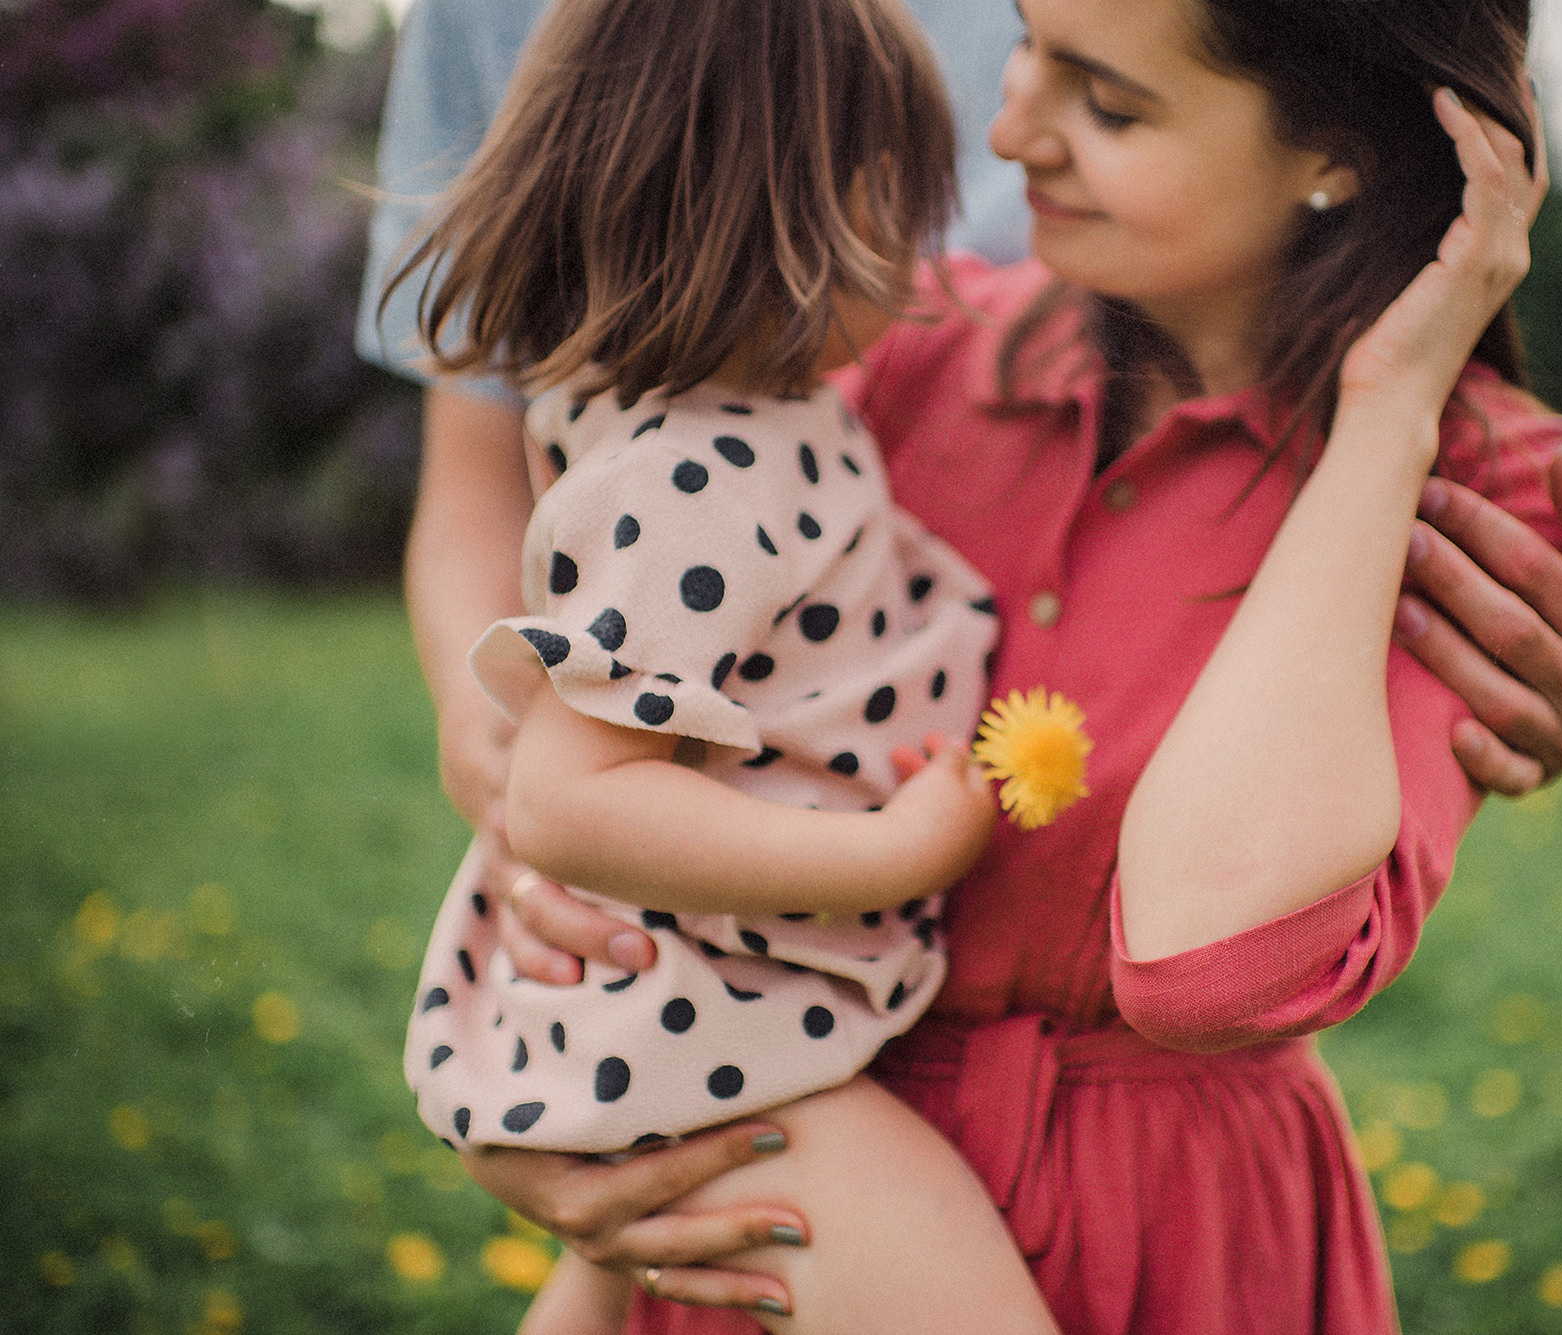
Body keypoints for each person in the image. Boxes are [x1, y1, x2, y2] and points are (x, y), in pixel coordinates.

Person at [360, 0, 1562, 1328]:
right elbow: (609, 680)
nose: (1006, 135)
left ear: (1336, 154)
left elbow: (1206, 961)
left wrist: (1387, 412)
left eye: (1108, 106)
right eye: (1024, 47)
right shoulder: (905, 345)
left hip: (1169, 1238)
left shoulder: (1485, 498)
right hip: (784, 1213)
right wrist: (559, 986)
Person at [382, 0, 1087, 1330]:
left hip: (716, 980)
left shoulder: (742, 419)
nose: (927, 246)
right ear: (809, 215)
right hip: (712, 1005)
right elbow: (568, 800)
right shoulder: (693, 479)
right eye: (901, 200)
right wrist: (896, 856)